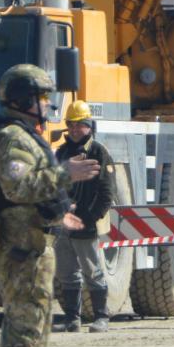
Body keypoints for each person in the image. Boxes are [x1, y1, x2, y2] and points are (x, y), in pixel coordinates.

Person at [0, 65, 100, 347]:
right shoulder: (11, 138)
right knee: (24, 324)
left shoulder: (28, 136)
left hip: (34, 241)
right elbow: (17, 187)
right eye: (41, 98)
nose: (47, 105)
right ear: (22, 100)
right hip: (20, 246)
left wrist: (60, 208)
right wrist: (66, 173)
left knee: (38, 324)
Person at [54, 100, 116, 333]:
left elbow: (106, 192)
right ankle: (72, 319)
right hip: (63, 225)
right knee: (67, 273)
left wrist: (90, 218)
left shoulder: (99, 152)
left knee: (92, 271)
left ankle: (101, 317)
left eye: (80, 125)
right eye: (71, 125)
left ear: (89, 125)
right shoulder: (61, 153)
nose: (75, 129)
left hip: (86, 224)